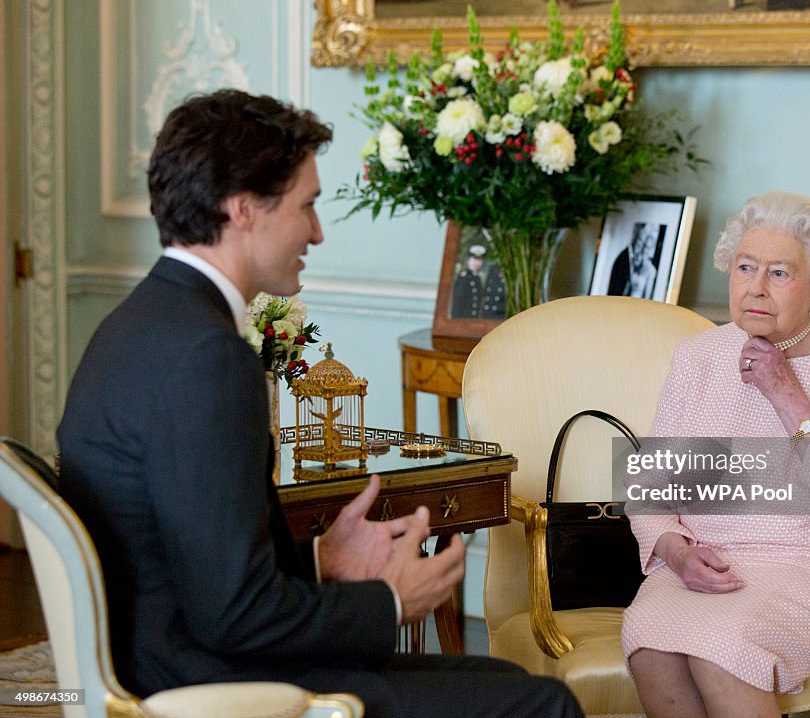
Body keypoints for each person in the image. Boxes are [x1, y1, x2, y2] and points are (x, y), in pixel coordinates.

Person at [56, 89, 582, 718]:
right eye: (306, 206)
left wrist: (320, 558)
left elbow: (198, 562)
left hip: (170, 658)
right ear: (245, 207)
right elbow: (234, 615)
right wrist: (389, 601)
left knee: (491, 676)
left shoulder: (137, 324)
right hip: (209, 684)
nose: (317, 231)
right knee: (541, 702)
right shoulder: (207, 358)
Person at [622, 191, 810, 718]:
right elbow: (648, 488)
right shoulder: (698, 357)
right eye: (745, 267)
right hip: (705, 561)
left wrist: (785, 392)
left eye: (779, 273)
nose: (755, 287)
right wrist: (679, 554)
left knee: (722, 653)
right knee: (650, 643)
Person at [608, 222, 653, 297]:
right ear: (635, 235)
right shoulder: (623, 258)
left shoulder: (636, 260)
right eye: (640, 241)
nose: (641, 246)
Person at [450, 244, 485, 318]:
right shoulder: (463, 277)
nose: (477, 263)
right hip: (462, 318)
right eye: (474, 259)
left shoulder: (478, 279)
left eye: (479, 260)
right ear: (468, 260)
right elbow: (457, 302)